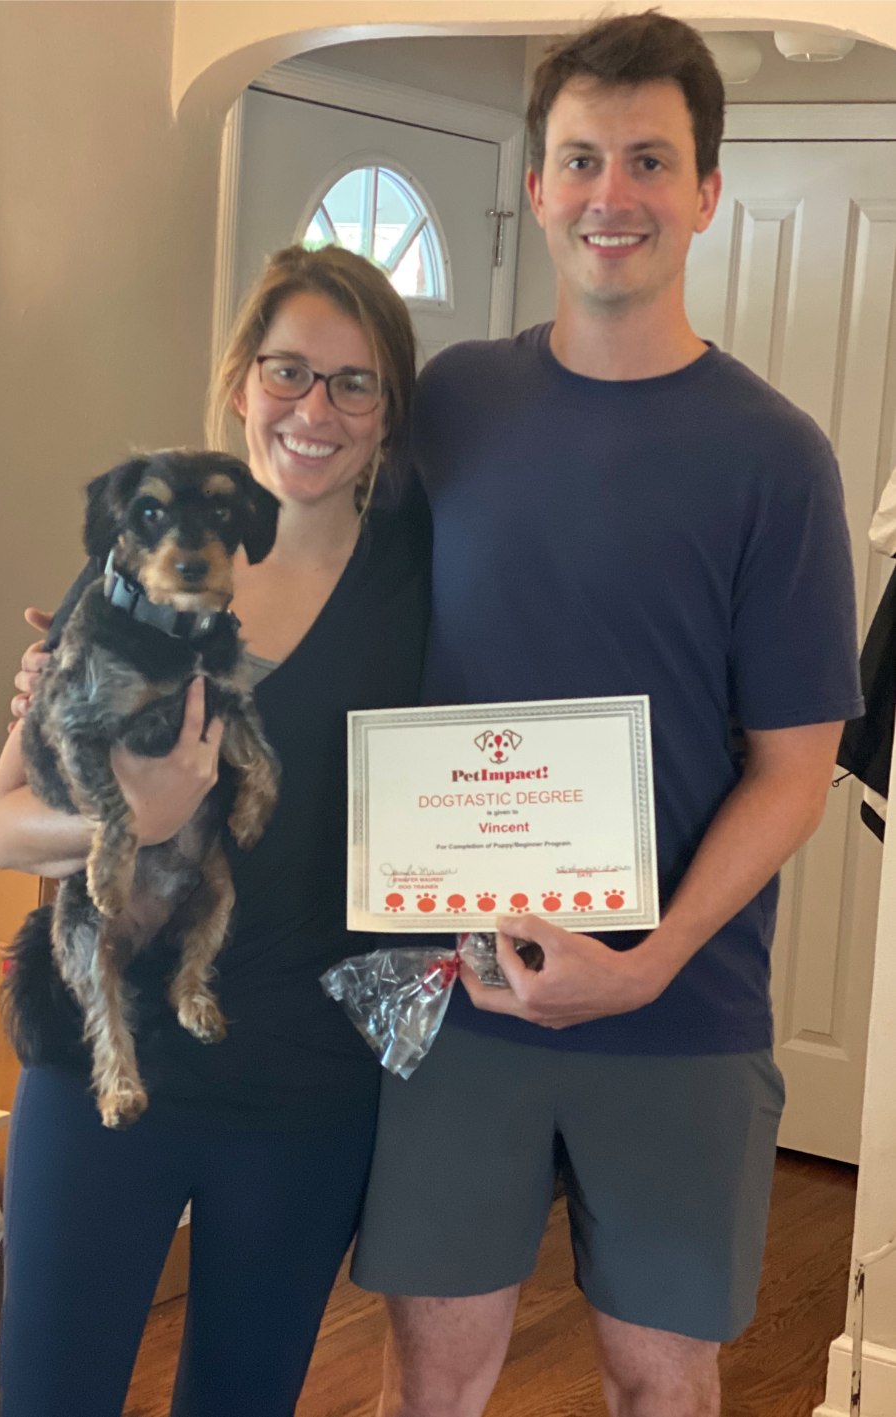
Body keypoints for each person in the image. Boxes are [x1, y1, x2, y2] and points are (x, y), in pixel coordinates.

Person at [350, 15, 863, 1417]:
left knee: (659, 1379)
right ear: (535, 187)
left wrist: (645, 962)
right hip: (456, 997)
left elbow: (794, 771)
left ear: (705, 193)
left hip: (678, 1013)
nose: (609, 193)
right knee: (431, 1376)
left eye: (648, 160)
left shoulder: (774, 456)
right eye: (580, 159)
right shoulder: (453, 403)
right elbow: (340, 616)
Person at [0, 244, 428, 1417]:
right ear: (239, 383)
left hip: (304, 1080)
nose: (313, 410)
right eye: (287, 371)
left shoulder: (422, 585)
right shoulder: (126, 573)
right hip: (101, 1054)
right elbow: (7, 827)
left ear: (388, 411)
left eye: (353, 382)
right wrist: (129, 817)